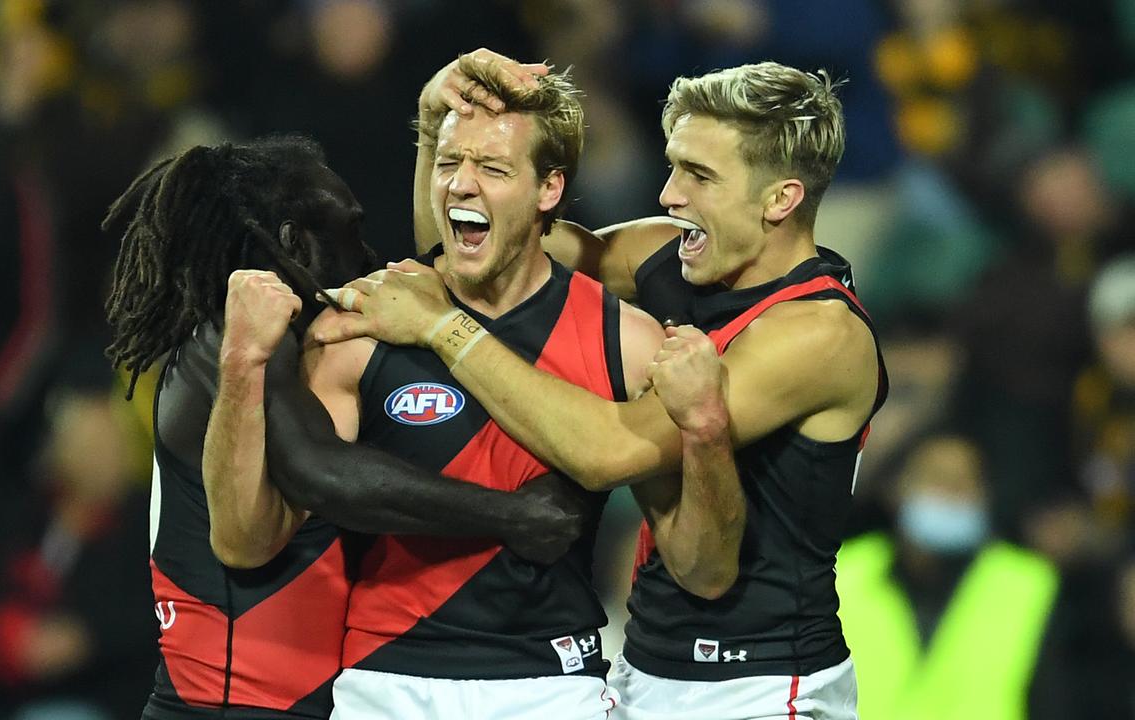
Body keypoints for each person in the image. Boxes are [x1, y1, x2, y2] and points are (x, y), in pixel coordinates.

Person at [317, 52, 888, 719]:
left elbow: (607, 452)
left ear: (781, 199)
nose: (670, 194)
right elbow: (479, 260)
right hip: (647, 667)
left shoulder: (817, 336)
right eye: (673, 165)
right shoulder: (668, 252)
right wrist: (437, 128)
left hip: (760, 685)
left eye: (699, 175)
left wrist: (443, 329)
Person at [102, 135, 589, 719]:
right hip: (228, 708)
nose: (367, 253)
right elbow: (319, 470)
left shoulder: (293, 350)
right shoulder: (228, 344)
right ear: (294, 244)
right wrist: (512, 516)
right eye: (350, 231)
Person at [302, 57, 694, 720]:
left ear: (549, 190)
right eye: (450, 160)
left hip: (551, 682)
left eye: (493, 168)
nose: (461, 184)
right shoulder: (358, 324)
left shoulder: (626, 341)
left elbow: (684, 551)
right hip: (383, 677)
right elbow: (301, 509)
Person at [836, 433, 1058, 720]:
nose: (952, 491)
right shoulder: (840, 574)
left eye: (965, 481)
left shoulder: (1030, 583)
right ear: (896, 488)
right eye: (937, 478)